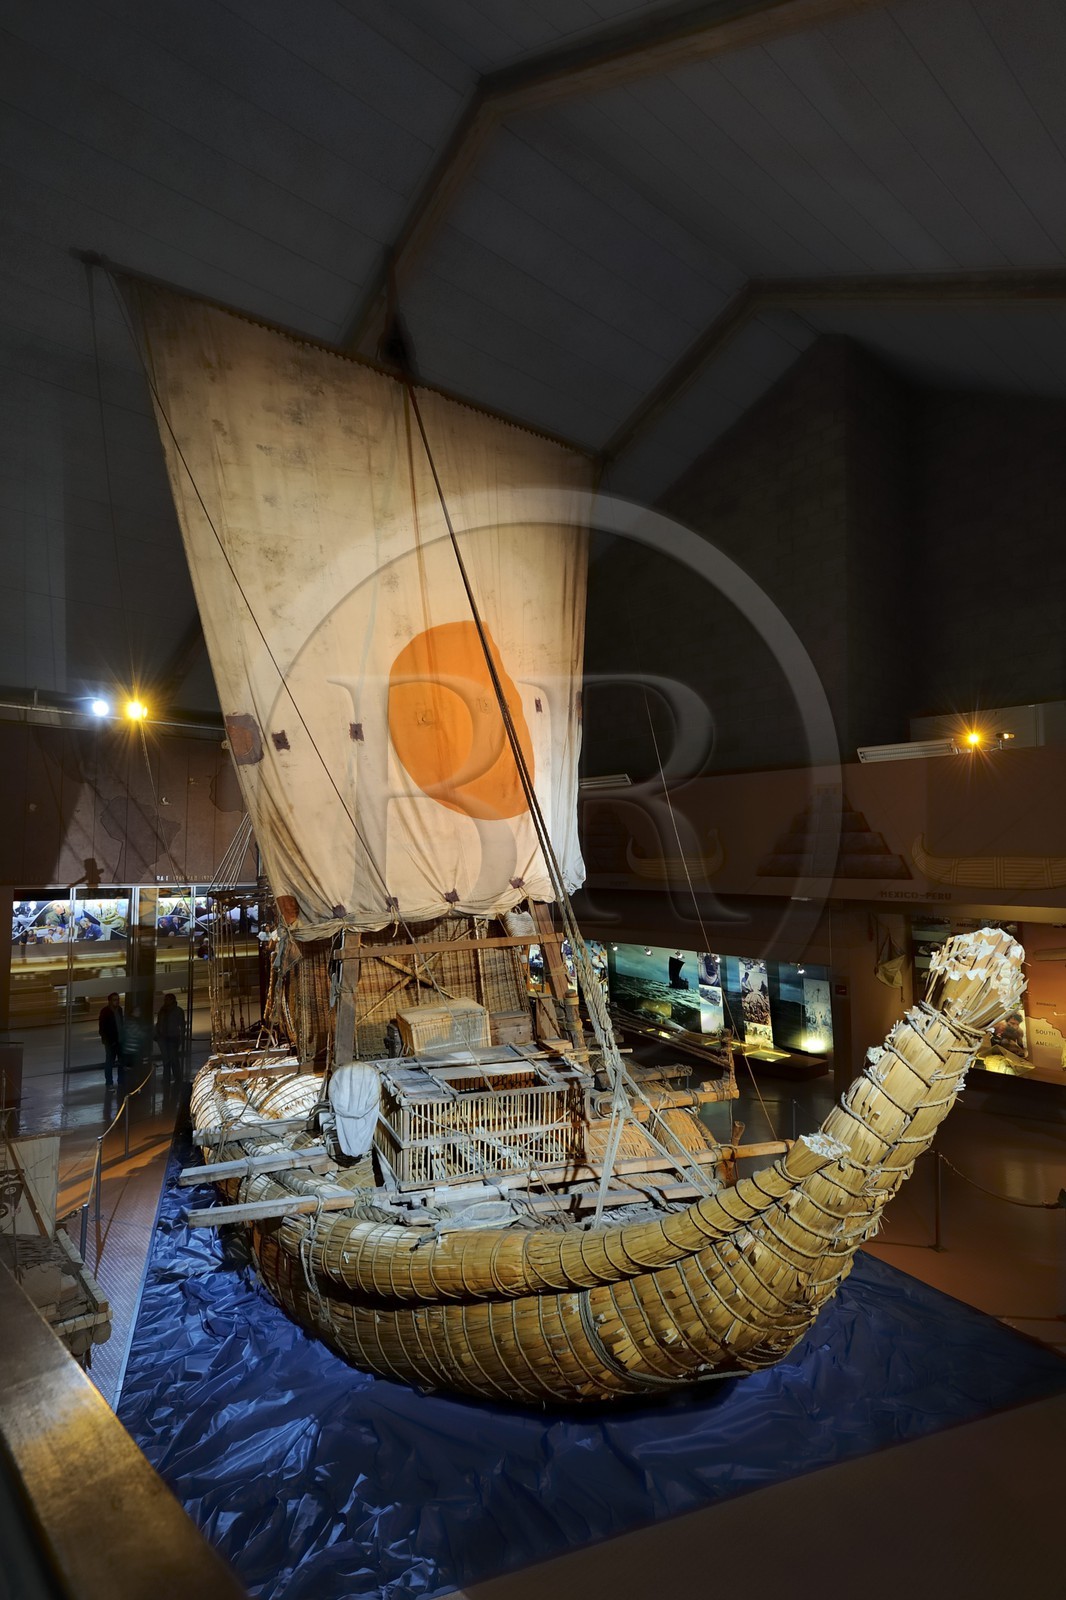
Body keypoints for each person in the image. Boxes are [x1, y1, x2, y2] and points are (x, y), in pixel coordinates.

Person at [155, 993, 186, 1084]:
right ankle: (166, 1078)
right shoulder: (162, 1010)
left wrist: (180, 1035)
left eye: (168, 999)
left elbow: (182, 1025)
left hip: (173, 1038)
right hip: (163, 1038)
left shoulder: (178, 1011)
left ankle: (177, 1078)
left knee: (173, 1059)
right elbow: (159, 1022)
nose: (166, 1001)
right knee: (166, 1060)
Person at [98, 992, 124, 1089]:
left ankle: (121, 1081)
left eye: (118, 999)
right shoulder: (105, 1012)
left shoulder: (120, 1010)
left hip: (120, 1040)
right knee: (110, 1062)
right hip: (110, 1042)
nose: (117, 1001)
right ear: (109, 1001)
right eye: (114, 1000)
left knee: (121, 1061)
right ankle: (109, 1082)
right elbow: (102, 1028)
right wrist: (108, 1041)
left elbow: (121, 1024)